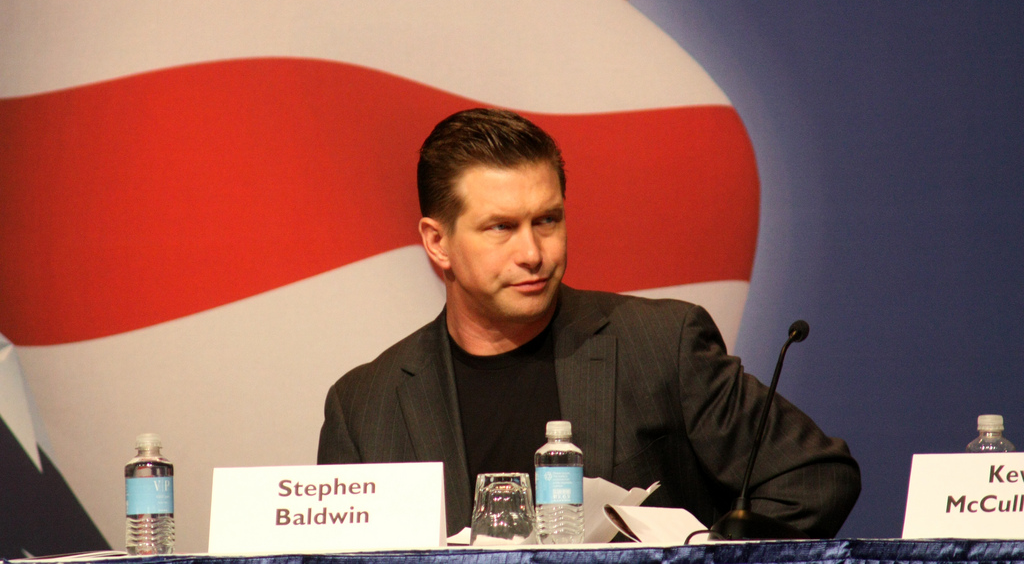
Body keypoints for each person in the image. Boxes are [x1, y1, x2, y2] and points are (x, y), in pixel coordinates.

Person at [318, 108, 860, 538]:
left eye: (547, 220)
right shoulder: (365, 407)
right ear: (437, 242)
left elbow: (814, 477)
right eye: (501, 227)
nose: (533, 253)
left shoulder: (661, 345)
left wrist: (700, 559)